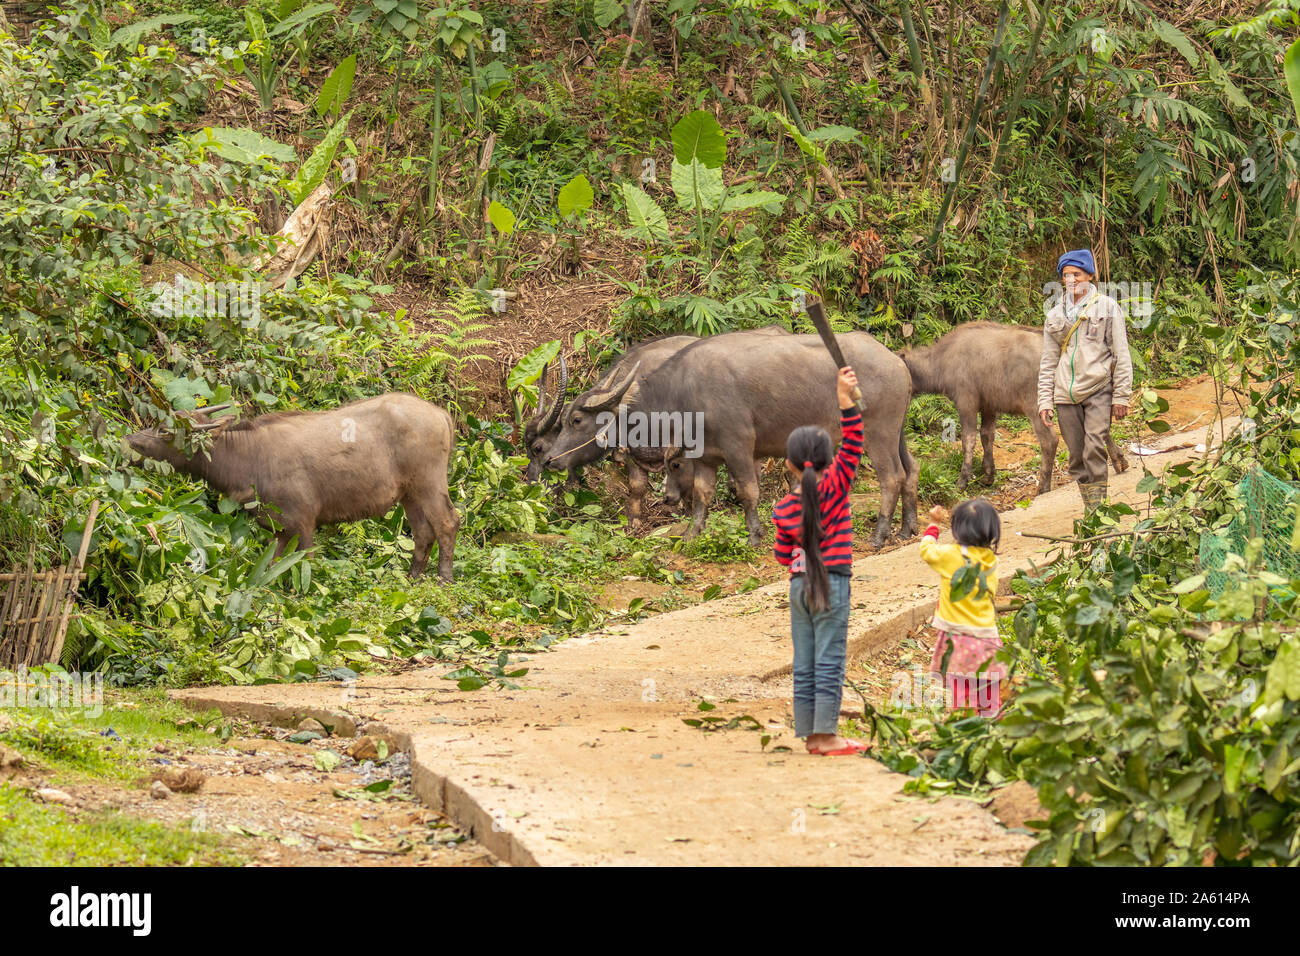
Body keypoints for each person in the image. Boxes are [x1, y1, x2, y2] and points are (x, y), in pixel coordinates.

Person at [773, 366, 868, 756]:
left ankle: (811, 734)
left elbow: (782, 556)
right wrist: (845, 400)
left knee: (806, 661)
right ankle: (826, 736)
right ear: (831, 460)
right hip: (832, 584)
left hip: (799, 587)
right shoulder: (836, 485)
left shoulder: (783, 507)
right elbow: (855, 444)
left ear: (791, 464)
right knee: (830, 659)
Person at [1037, 248, 1133, 513]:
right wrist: (1045, 400)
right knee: (1077, 458)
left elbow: (1121, 354)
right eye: (1066, 276)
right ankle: (1091, 507)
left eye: (1076, 274)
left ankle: (1097, 513)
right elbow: (1048, 362)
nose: (1071, 280)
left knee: (1094, 448)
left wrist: (1121, 395)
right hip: (1065, 396)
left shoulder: (1107, 308)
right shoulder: (1055, 316)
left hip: (1098, 389)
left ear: (1090, 275)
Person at [920, 500, 1004, 718]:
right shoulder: (991, 561)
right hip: (987, 637)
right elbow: (992, 591)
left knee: (961, 688)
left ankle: (966, 725)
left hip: (957, 638)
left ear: (958, 529)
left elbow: (927, 550)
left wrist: (933, 525)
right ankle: (992, 726)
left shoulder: (950, 555)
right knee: (989, 687)